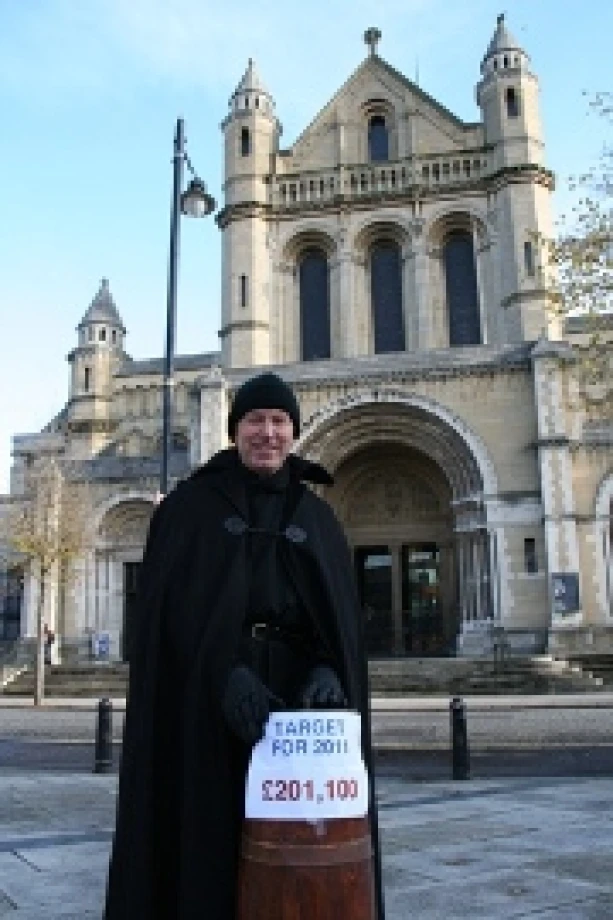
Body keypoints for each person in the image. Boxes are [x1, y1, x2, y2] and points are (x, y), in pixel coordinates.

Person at [104, 371, 384, 920]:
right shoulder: (188, 508)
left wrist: (328, 669)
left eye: (280, 421)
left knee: (299, 840)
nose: (268, 433)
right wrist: (222, 674)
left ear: (294, 432)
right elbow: (169, 618)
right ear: (235, 431)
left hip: (296, 708)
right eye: (255, 420)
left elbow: (337, 619)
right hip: (208, 706)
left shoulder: (318, 517)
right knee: (209, 825)